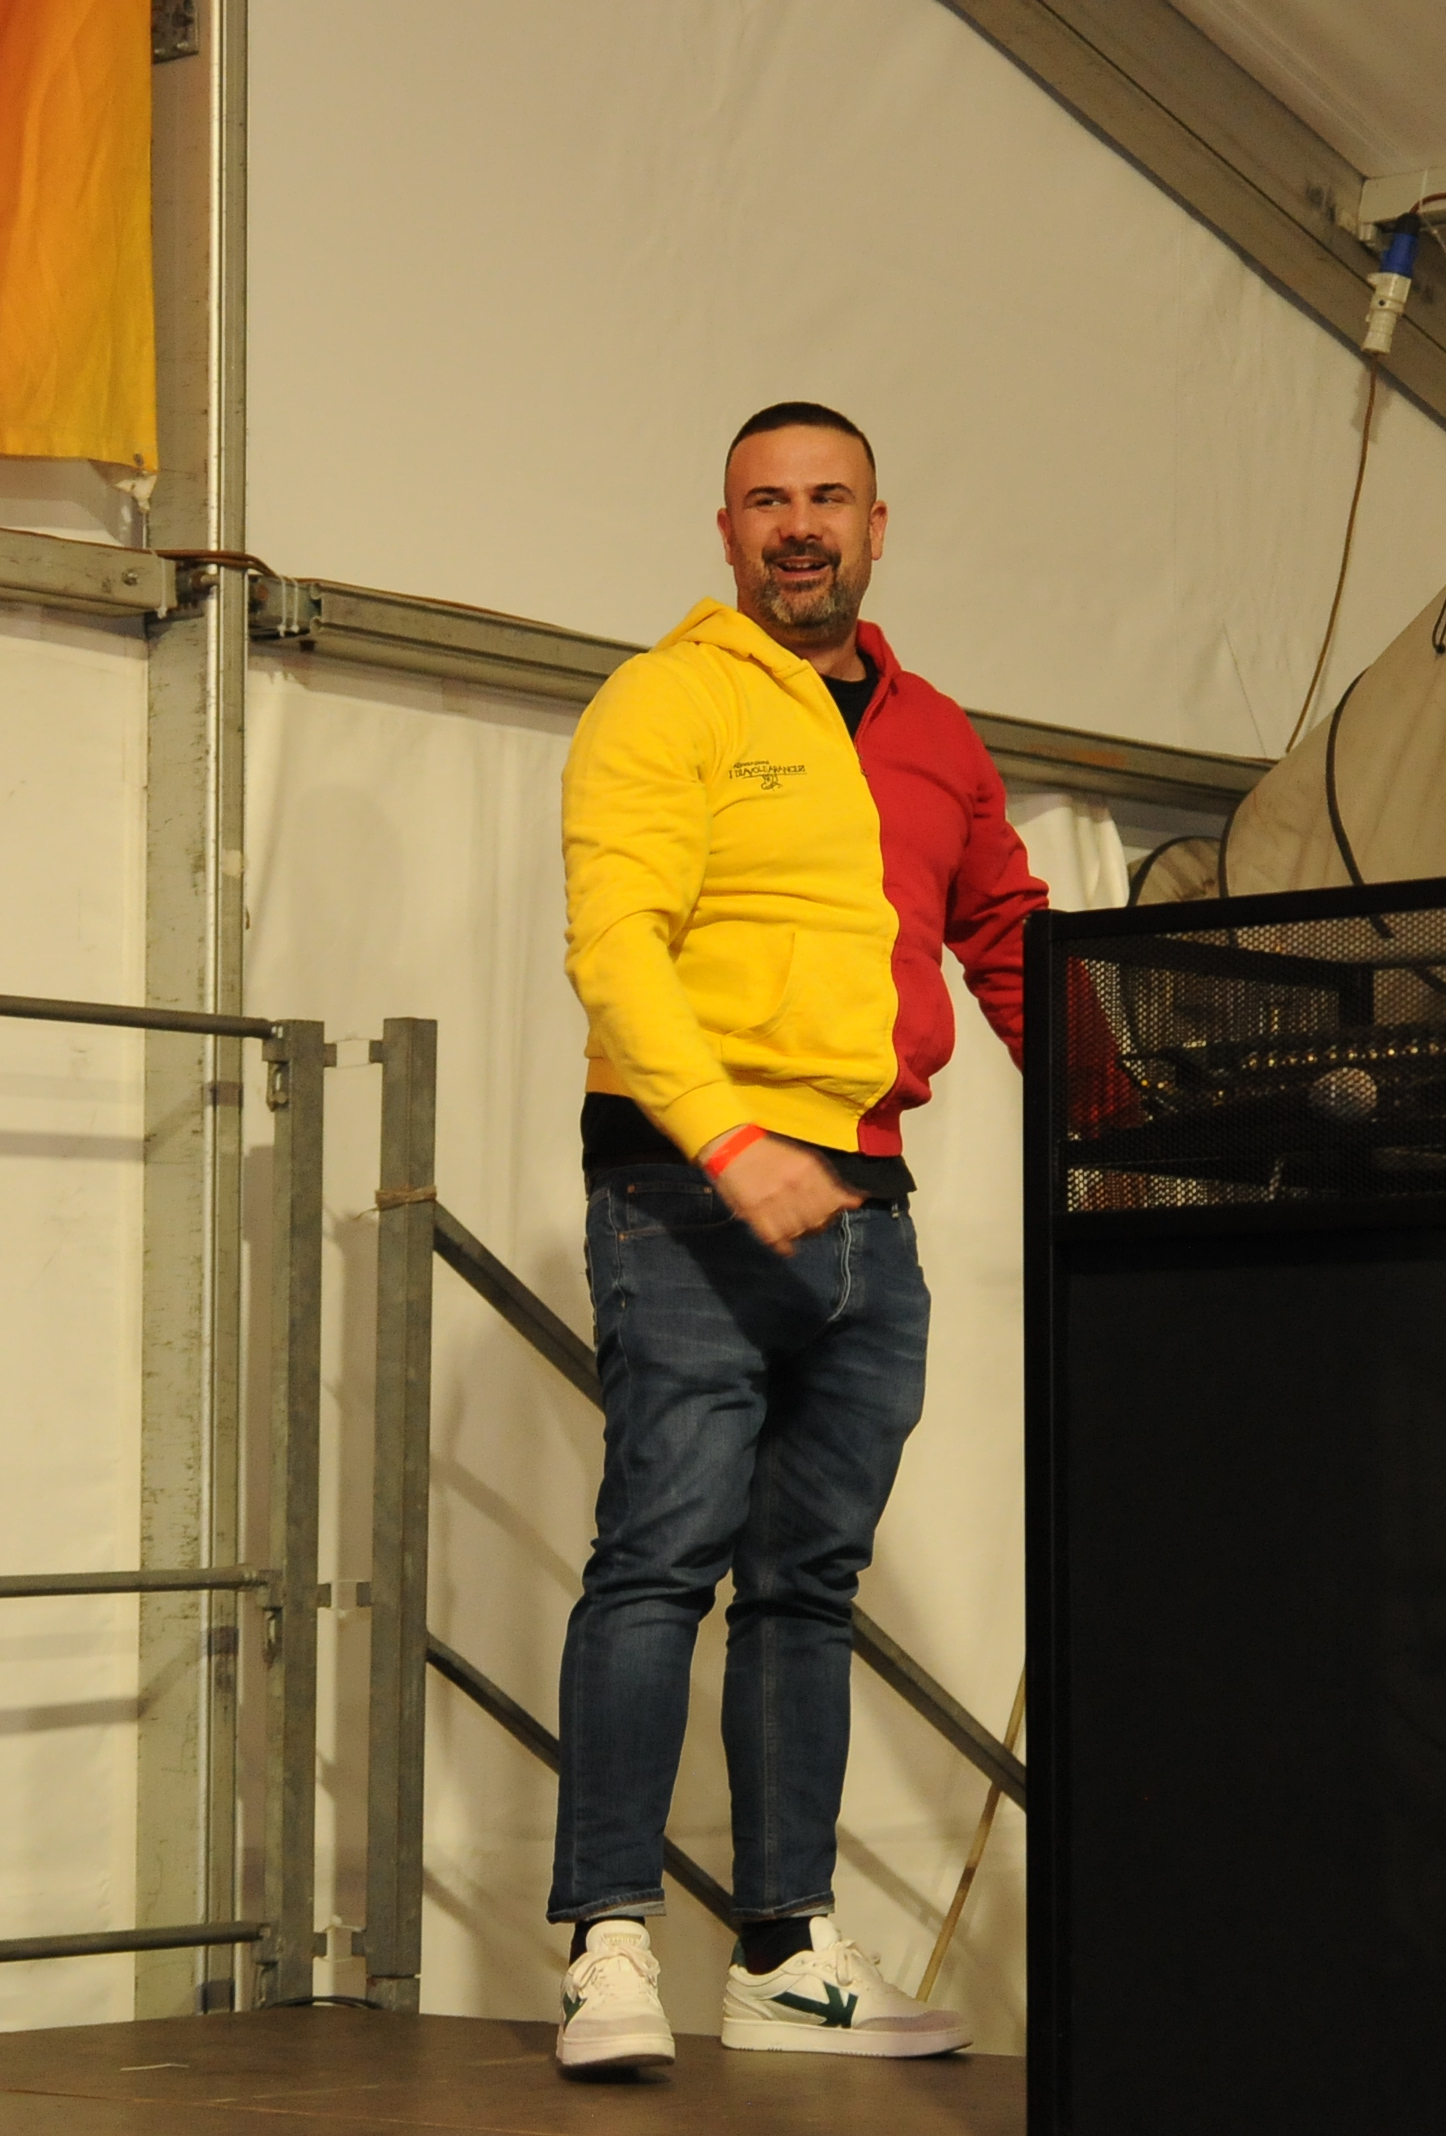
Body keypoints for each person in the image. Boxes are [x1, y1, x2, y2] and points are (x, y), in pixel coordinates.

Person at [546, 402, 1042, 2072]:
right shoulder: (665, 698)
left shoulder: (938, 734)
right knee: (658, 1556)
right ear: (727, 531)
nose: (800, 524)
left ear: (879, 526)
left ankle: (782, 1953)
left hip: (869, 1207)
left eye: (830, 497)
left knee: (808, 1589)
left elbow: (1008, 937)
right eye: (768, 500)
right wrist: (729, 1138)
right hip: (690, 1188)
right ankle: (609, 1944)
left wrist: (1134, 1122)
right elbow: (616, 943)